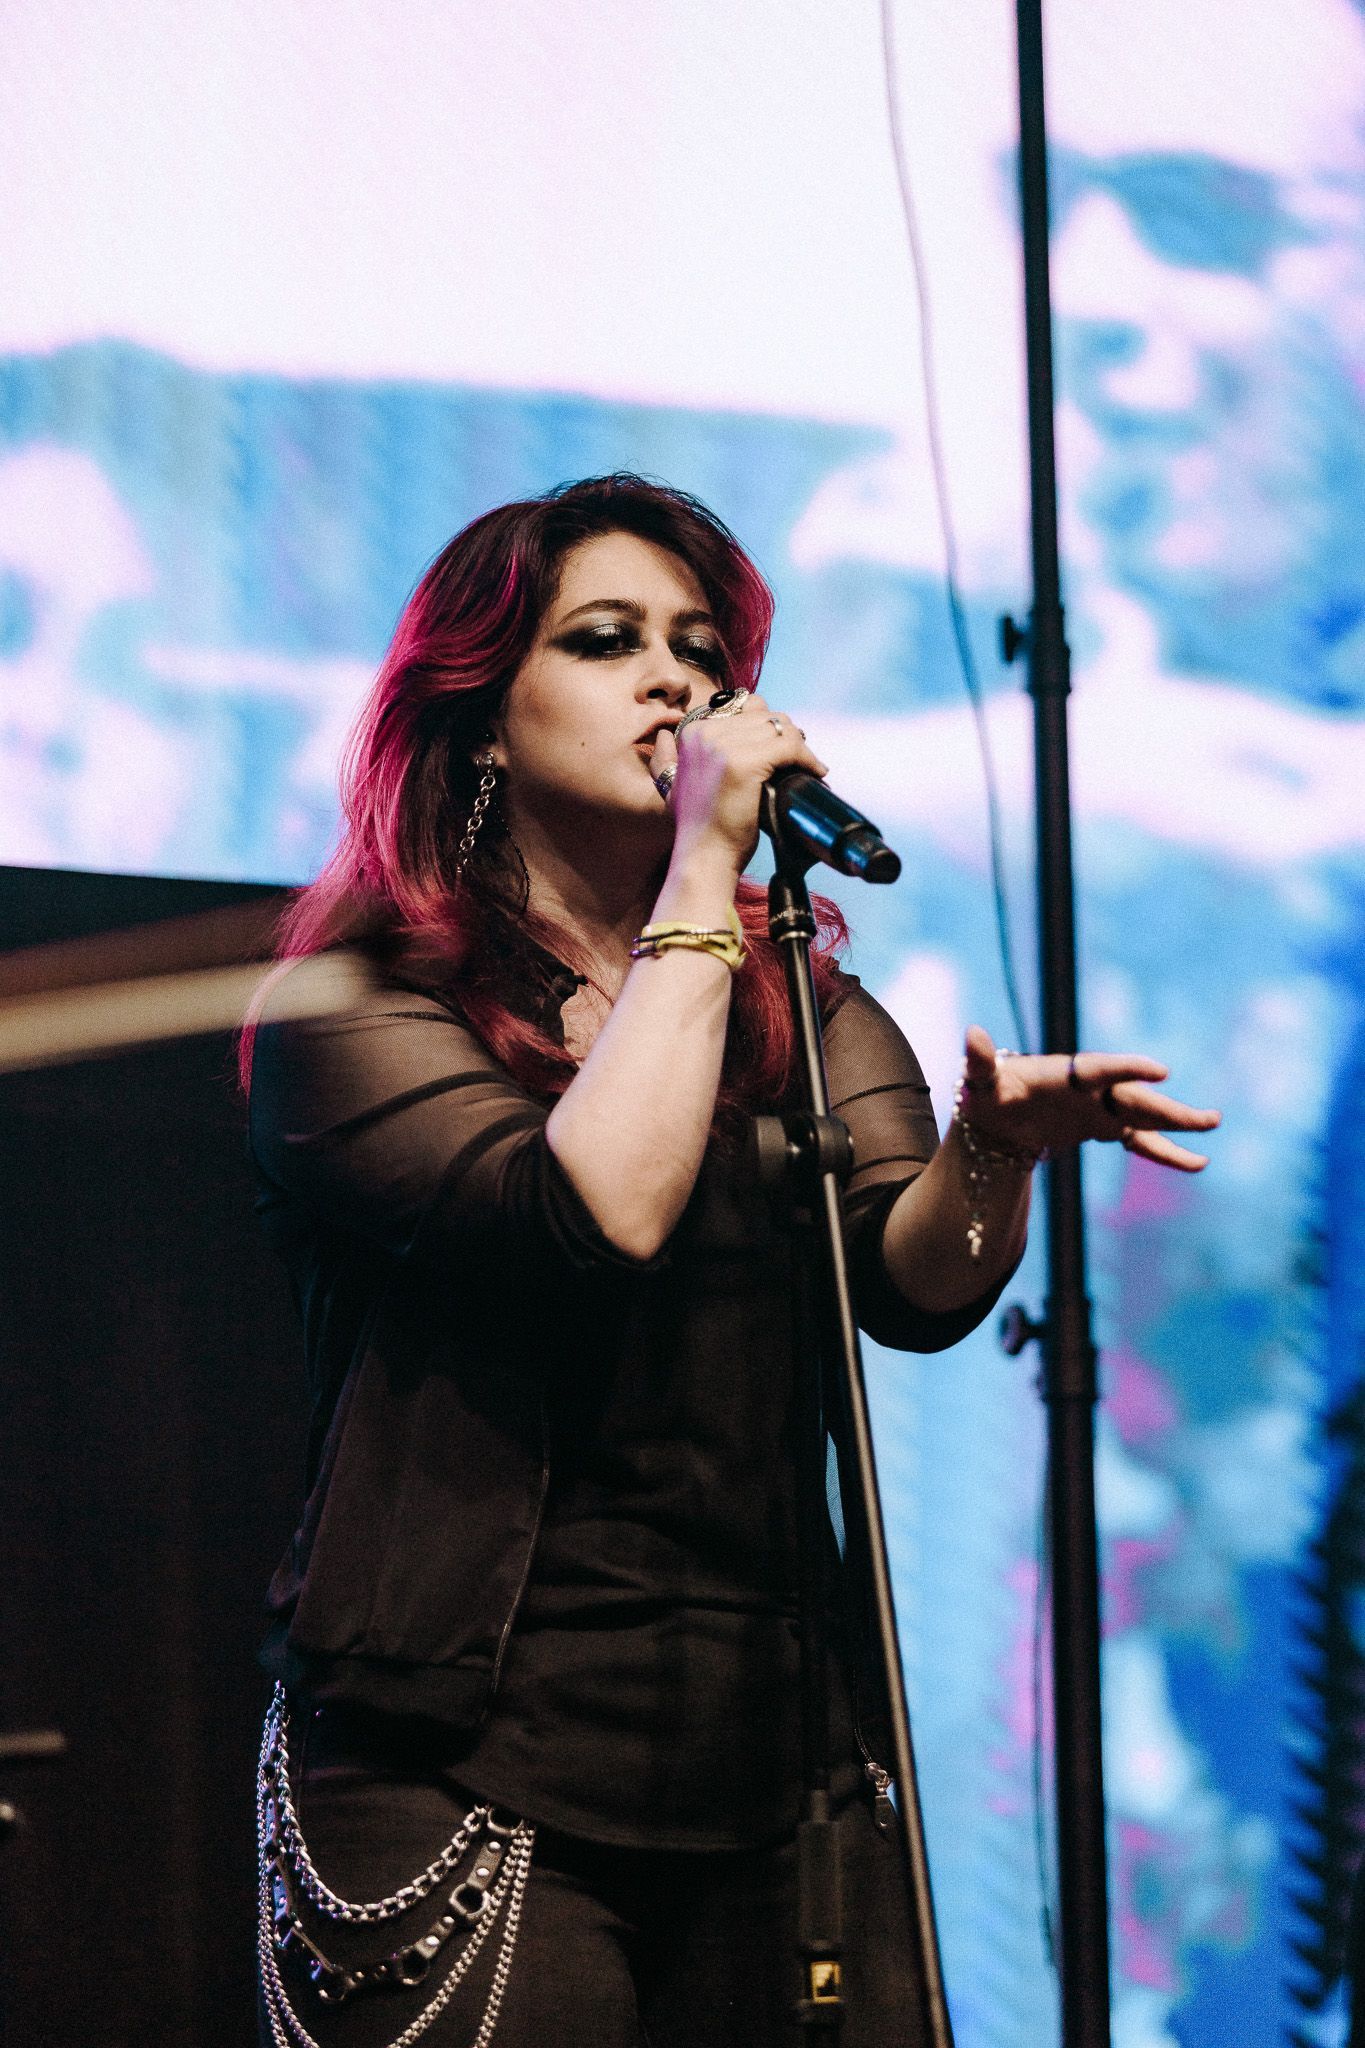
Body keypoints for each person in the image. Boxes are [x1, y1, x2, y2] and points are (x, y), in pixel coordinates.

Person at [245, 473, 1217, 2048]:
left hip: (771, 1757)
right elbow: (589, 1217)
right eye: (607, 641)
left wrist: (992, 1156)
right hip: (459, 1764)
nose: (674, 682)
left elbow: (914, 1288)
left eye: (699, 648)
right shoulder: (359, 1005)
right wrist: (705, 873)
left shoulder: (806, 1012)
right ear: (481, 718)